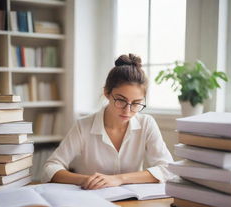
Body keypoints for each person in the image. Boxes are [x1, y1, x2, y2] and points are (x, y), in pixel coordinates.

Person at [41, 53, 174, 189]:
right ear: (107, 93)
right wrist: (90, 180)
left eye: (136, 103)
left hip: (132, 202)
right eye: (121, 100)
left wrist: (119, 179)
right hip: (93, 199)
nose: (127, 111)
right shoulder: (83, 126)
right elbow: (50, 168)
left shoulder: (147, 123)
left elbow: (168, 169)